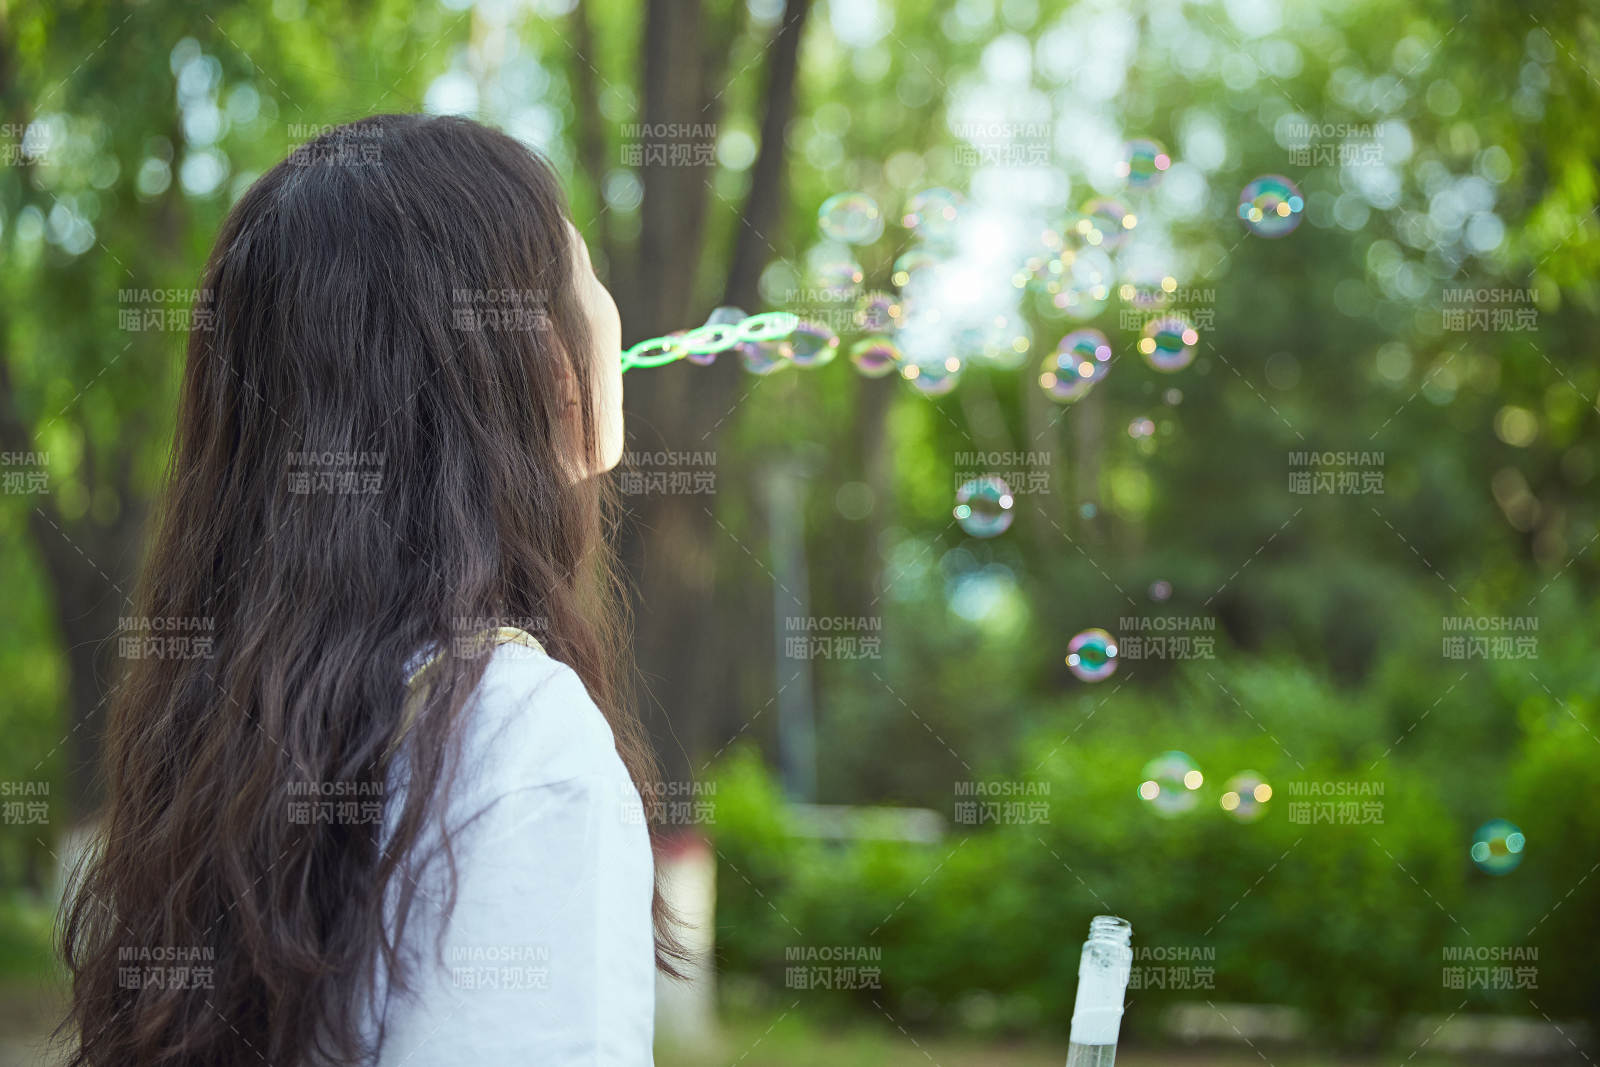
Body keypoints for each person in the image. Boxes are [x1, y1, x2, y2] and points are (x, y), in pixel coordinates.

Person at [59, 114, 681, 1066]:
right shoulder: (515, 731)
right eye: (583, 268)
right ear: (551, 375)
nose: (608, 304)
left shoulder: (228, 729)